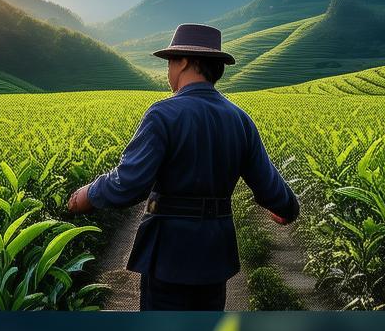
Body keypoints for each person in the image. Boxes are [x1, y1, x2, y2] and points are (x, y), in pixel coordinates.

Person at [67, 23, 299, 311]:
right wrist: (287, 208)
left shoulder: (163, 114)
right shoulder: (240, 119)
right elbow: (269, 185)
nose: (168, 72)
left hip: (168, 254)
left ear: (185, 61)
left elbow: (129, 183)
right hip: (216, 255)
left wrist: (88, 194)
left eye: (170, 62)